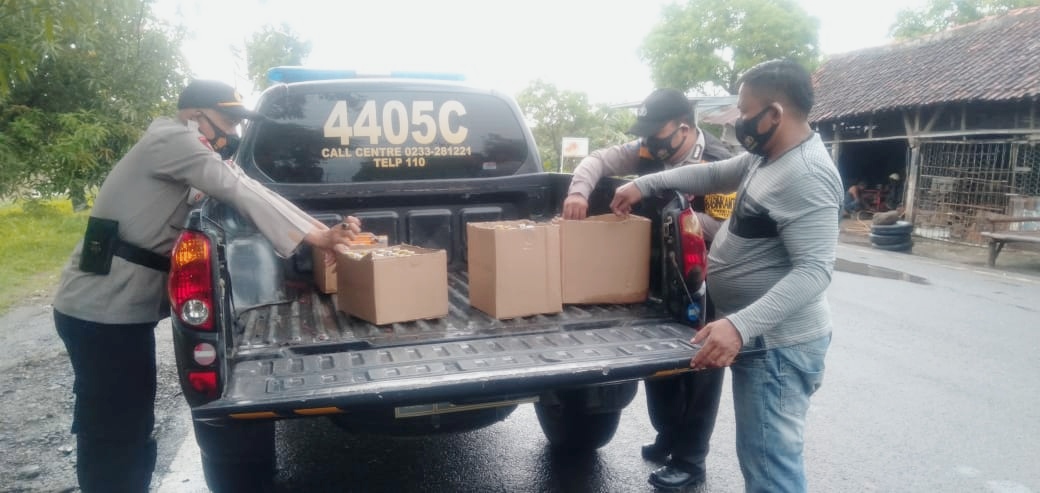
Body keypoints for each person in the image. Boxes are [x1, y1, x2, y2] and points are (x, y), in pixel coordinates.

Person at [51, 79, 363, 492]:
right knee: (115, 427)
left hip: (115, 310)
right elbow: (235, 188)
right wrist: (318, 238)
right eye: (228, 121)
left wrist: (322, 230)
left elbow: (248, 186)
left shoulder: (184, 151)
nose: (233, 133)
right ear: (193, 116)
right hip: (99, 312)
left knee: (126, 419)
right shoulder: (172, 140)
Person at [611, 59, 842, 493]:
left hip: (779, 346)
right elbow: (716, 174)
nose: (739, 120)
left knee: (771, 465)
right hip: (763, 341)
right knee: (761, 457)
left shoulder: (806, 174)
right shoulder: (766, 156)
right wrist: (647, 184)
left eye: (744, 109)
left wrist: (739, 326)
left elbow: (814, 271)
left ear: (774, 113)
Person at [563, 88, 733, 490]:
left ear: (684, 129)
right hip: (659, 277)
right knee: (659, 365)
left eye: (658, 135)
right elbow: (598, 159)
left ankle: (691, 460)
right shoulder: (648, 151)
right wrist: (578, 191)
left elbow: (729, 231)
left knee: (699, 368)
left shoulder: (720, 165)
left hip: (703, 282)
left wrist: (682, 219)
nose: (650, 145)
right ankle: (668, 436)